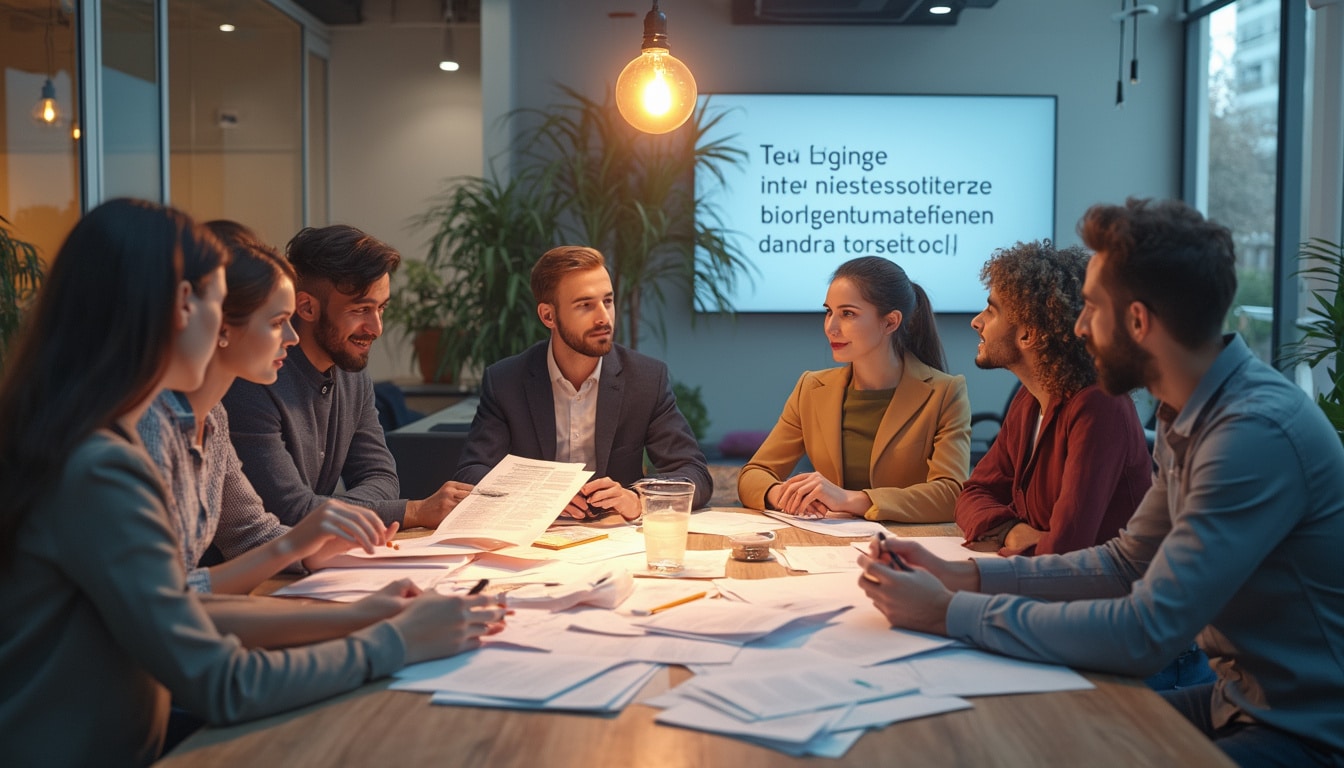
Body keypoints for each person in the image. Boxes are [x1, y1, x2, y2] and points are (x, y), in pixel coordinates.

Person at [0, 199, 505, 767]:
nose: (223, 324)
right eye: (217, 303)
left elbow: (190, 608)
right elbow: (222, 681)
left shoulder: (88, 439)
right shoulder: (101, 465)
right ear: (176, 310)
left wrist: (373, 615)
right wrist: (396, 641)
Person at [859, 198, 1344, 766]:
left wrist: (946, 612)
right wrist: (961, 575)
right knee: (1032, 733)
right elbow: (1124, 565)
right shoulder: (1187, 410)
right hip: (1234, 701)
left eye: (1090, 307)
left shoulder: (1249, 434)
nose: (1079, 326)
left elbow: (1146, 632)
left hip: (1306, 730)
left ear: (1137, 321)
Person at [138, 226, 398, 597]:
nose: (291, 337)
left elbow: (252, 532)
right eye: (278, 322)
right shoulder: (150, 426)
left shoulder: (212, 418)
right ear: (221, 323)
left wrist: (316, 548)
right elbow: (163, 602)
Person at [223, 225, 471, 530]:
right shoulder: (252, 382)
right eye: (361, 310)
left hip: (312, 559)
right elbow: (290, 510)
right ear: (307, 307)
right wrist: (412, 512)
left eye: (381, 308)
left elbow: (381, 478)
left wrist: (346, 511)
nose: (376, 327)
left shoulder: (352, 376)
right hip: (253, 571)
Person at [454, 245, 712, 519]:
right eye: (585, 305)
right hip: (535, 537)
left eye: (608, 301)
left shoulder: (646, 379)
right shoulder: (506, 381)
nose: (603, 317)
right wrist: (536, 498)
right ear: (548, 316)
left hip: (615, 541)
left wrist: (638, 498)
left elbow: (695, 475)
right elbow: (472, 474)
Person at [737, 256, 971, 522]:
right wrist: (781, 494)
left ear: (890, 322)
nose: (831, 327)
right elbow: (753, 474)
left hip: (906, 548)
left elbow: (952, 494)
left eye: (848, 314)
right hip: (829, 544)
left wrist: (849, 499)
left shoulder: (946, 392)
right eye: (829, 312)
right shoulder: (811, 388)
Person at [956, 240, 1151, 556]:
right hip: (1045, 585)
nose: (976, 321)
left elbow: (1066, 548)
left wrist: (1003, 537)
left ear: (1028, 334)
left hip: (1098, 596)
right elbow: (974, 493)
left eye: (991, 311)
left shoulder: (1099, 407)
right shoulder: (1030, 398)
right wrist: (1012, 531)